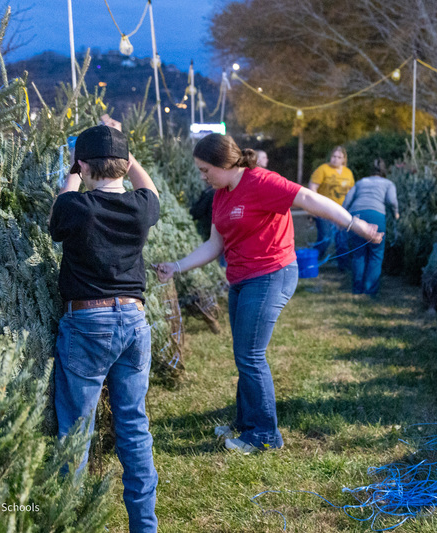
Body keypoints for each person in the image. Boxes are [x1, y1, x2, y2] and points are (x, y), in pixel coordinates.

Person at [155, 134, 381, 454]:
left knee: (251, 355)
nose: (202, 176)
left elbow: (311, 200)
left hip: (271, 275)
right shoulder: (221, 194)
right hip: (241, 279)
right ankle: (246, 423)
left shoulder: (262, 182)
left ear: (225, 163)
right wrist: (176, 266)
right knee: (243, 353)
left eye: (206, 170)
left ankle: (265, 435)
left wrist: (355, 224)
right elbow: (214, 245)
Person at [49, 115, 161, 532]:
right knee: (133, 425)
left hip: (88, 322)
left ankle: (72, 522)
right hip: (134, 321)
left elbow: (61, 207)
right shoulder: (140, 207)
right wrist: (127, 157)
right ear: (123, 164)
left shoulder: (76, 207)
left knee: (76, 431)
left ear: (85, 167)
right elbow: (149, 187)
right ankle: (144, 526)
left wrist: (73, 174)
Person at [342, 158, 399, 297]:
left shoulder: (361, 182)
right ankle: (370, 290)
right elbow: (392, 201)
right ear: (384, 170)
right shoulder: (388, 183)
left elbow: (347, 200)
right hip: (376, 216)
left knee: (358, 253)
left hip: (356, 216)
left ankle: (357, 289)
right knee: (376, 254)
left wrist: (342, 217)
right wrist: (396, 213)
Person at [309, 146, 354, 269]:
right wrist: (313, 207)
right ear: (330, 157)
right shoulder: (323, 169)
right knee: (326, 238)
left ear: (344, 159)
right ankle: (313, 262)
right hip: (324, 211)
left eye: (339, 157)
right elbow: (312, 188)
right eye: (334, 156)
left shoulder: (348, 173)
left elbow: (351, 191)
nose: (335, 159)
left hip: (342, 211)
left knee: (342, 240)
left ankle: (343, 267)